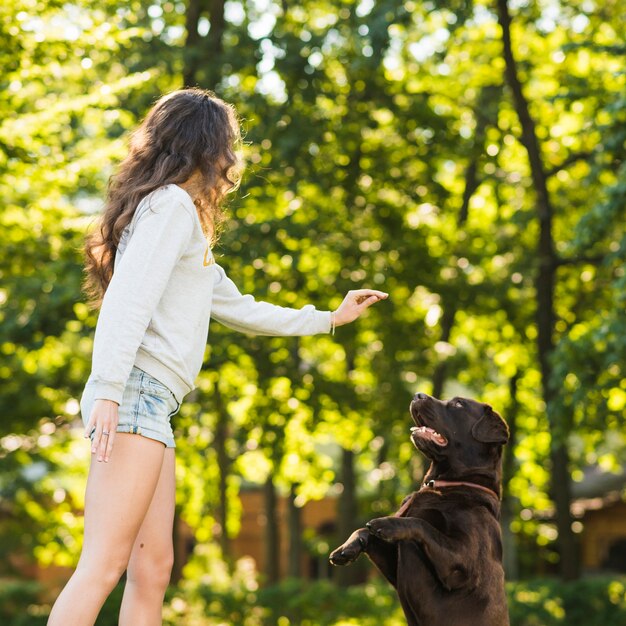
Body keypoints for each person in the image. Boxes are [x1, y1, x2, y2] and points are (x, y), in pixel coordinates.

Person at [47, 88, 387, 626]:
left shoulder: (180, 218)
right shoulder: (171, 207)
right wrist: (109, 389)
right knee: (104, 563)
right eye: (228, 145)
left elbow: (236, 305)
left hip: (152, 404)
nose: (232, 159)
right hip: (133, 394)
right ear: (206, 146)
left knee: (154, 568)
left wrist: (328, 319)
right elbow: (127, 303)